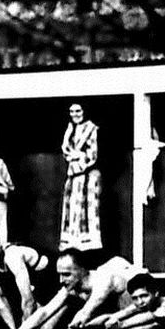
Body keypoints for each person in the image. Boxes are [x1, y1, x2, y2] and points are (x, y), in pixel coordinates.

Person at [59, 102, 102, 249]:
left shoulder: (92, 128)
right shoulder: (70, 129)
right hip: (73, 175)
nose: (74, 115)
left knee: (87, 211)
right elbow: (66, 151)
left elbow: (93, 154)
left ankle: (87, 247)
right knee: (72, 212)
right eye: (71, 112)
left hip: (88, 175)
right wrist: (73, 156)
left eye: (78, 111)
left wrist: (80, 157)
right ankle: (73, 246)